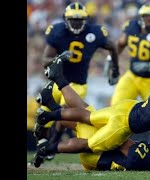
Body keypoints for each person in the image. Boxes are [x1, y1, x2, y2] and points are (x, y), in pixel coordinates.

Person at [32, 55, 150, 167]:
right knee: (87, 144)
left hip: (128, 108)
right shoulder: (142, 158)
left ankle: (51, 104)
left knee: (87, 114)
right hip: (123, 125)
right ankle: (48, 148)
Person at [35, 1, 120, 160]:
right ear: (66, 19)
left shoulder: (94, 32)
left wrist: (114, 67)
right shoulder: (58, 31)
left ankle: (53, 143)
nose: (76, 22)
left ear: (85, 19)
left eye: (79, 20)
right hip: (57, 81)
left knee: (64, 111)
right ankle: (43, 141)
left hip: (78, 83)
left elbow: (113, 47)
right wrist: (60, 57)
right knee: (44, 115)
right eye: (73, 19)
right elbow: (45, 59)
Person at [111, 3, 150, 105]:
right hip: (132, 76)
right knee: (116, 105)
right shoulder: (131, 26)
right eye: (146, 16)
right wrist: (111, 59)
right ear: (140, 16)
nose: (149, 19)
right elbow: (121, 44)